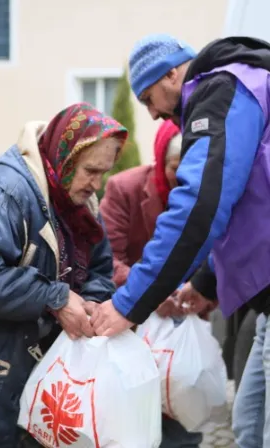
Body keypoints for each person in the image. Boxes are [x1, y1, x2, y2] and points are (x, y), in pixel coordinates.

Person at [85, 34, 270, 446]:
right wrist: (205, 285)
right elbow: (244, 200)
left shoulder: (222, 90)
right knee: (249, 427)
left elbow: (199, 206)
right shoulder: (237, 86)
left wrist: (130, 303)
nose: (151, 114)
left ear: (171, 73)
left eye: (148, 98)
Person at [0, 103, 125, 447]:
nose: (97, 184)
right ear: (65, 158)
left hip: (43, 384)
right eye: (91, 170)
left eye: (104, 172)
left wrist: (91, 300)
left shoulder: (81, 203)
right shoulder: (2, 196)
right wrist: (54, 297)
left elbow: (100, 268)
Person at [100, 119, 205, 447]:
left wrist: (200, 292)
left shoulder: (209, 194)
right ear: (161, 160)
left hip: (184, 333)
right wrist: (153, 290)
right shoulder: (124, 189)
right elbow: (106, 260)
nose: (183, 176)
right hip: (131, 326)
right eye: (176, 167)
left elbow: (216, 256)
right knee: (131, 423)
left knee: (183, 420)